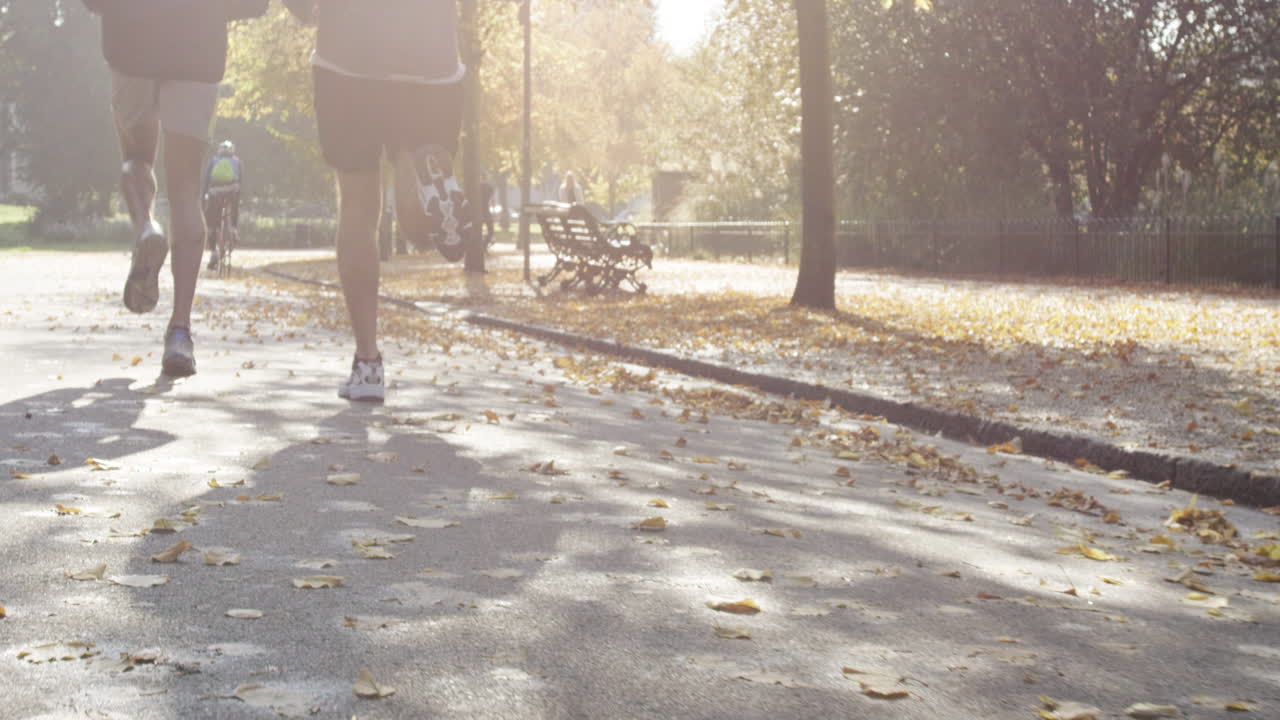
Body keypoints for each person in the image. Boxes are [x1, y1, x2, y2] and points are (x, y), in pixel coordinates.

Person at [284, 0, 474, 403]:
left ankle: (368, 365)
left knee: (358, 208)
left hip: (349, 60)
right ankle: (418, 166)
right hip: (432, 58)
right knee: (418, 231)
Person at [82, 0, 267, 377]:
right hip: (197, 53)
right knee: (185, 189)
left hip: (131, 47)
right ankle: (180, 332)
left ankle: (147, 227)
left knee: (136, 158)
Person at [202, 140, 243, 271]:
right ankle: (234, 229)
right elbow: (241, 180)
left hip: (215, 193)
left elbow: (206, 179)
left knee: (212, 223)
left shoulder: (213, 160)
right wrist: (240, 196)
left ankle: (213, 250)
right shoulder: (237, 161)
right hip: (232, 191)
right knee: (235, 207)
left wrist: (203, 195)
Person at [479, 178, 495, 247]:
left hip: (480, 211)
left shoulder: (478, 186)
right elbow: (493, 200)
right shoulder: (489, 187)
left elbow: (493, 200)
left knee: (479, 230)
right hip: (485, 211)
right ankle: (484, 245)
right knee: (490, 230)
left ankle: (483, 245)